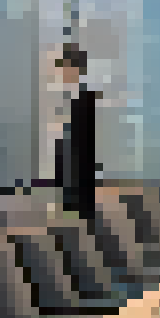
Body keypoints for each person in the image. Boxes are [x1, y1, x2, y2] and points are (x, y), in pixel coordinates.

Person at [52, 43, 100, 218]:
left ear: (78, 68)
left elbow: (88, 143)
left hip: (81, 175)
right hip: (65, 173)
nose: (63, 72)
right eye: (62, 67)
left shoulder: (86, 97)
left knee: (80, 216)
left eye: (67, 66)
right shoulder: (62, 98)